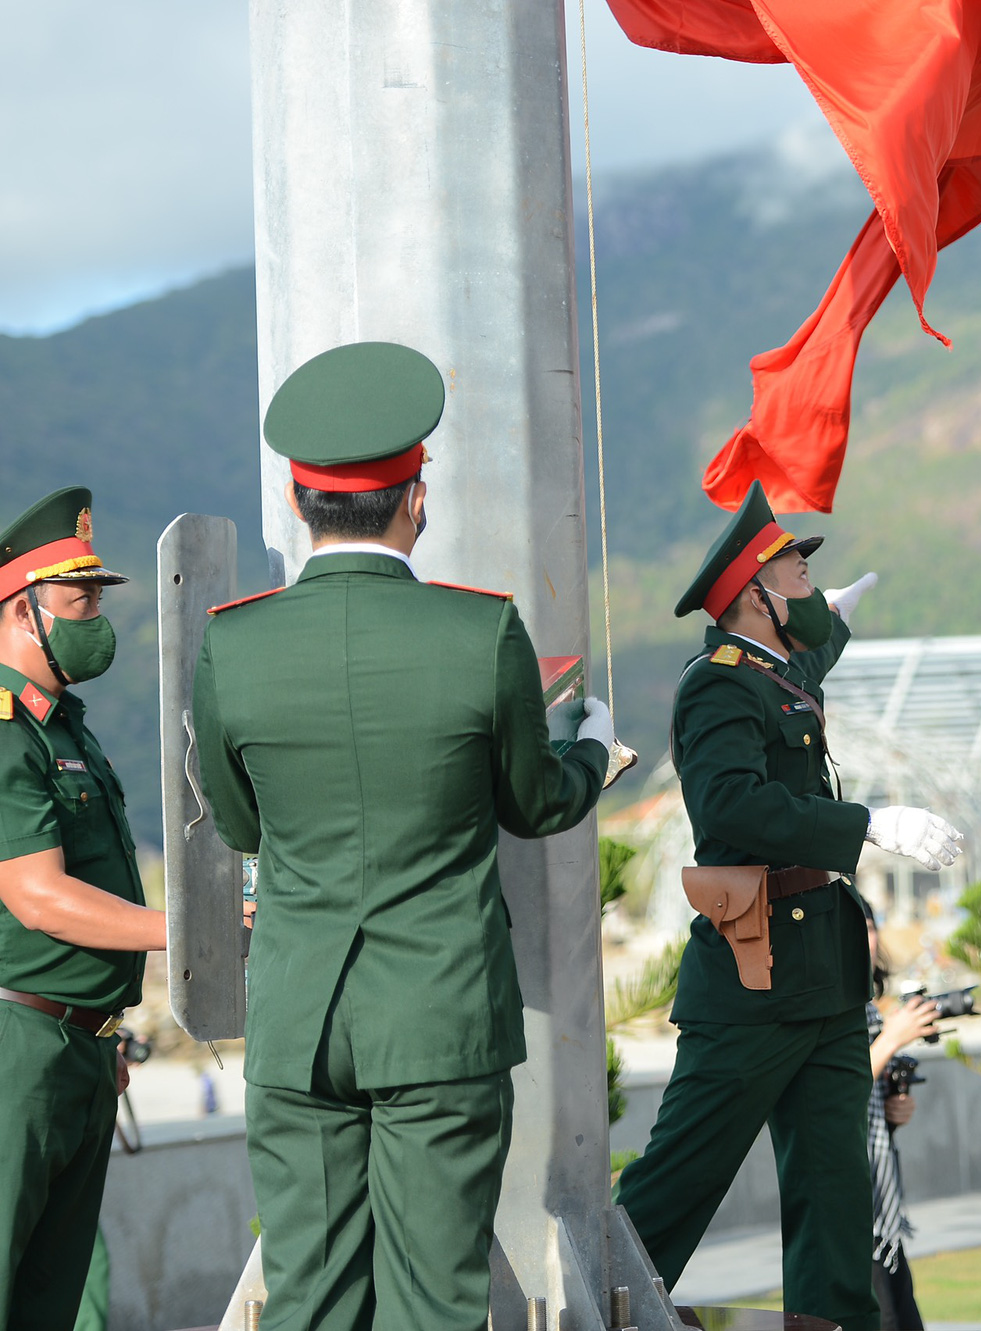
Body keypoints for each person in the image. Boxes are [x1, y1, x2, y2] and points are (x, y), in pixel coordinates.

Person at [192, 341, 623, 1331]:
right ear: (414, 497)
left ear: (299, 504)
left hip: (300, 1023)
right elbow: (535, 802)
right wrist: (591, 748)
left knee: (307, 1298)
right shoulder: (480, 633)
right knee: (434, 1303)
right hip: (436, 1019)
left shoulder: (236, 638)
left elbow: (241, 820)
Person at [614, 480, 964, 1331]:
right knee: (678, 1185)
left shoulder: (772, 668)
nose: (810, 590)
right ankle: (600, 1306)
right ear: (754, 600)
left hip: (825, 978)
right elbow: (731, 806)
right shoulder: (718, 686)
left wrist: (830, 617)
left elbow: (803, 662)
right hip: (754, 975)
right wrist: (870, 823)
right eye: (796, 581)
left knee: (834, 1200)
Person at [0, 487, 164, 1331]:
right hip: (17, 1052)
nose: (97, 615)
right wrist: (187, 929)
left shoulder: (67, 729)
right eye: (79, 599)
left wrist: (110, 1033)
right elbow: (37, 893)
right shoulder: (4, 729)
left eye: (99, 596)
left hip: (82, 1046)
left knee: (50, 1301)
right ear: (21, 610)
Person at [861, 901, 939, 1331]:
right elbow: (836, 1098)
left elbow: (865, 1098)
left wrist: (893, 1112)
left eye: (870, 925)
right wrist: (891, 1039)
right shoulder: (831, 1012)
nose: (866, 936)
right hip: (850, 1203)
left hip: (880, 1202)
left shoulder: (869, 1010)